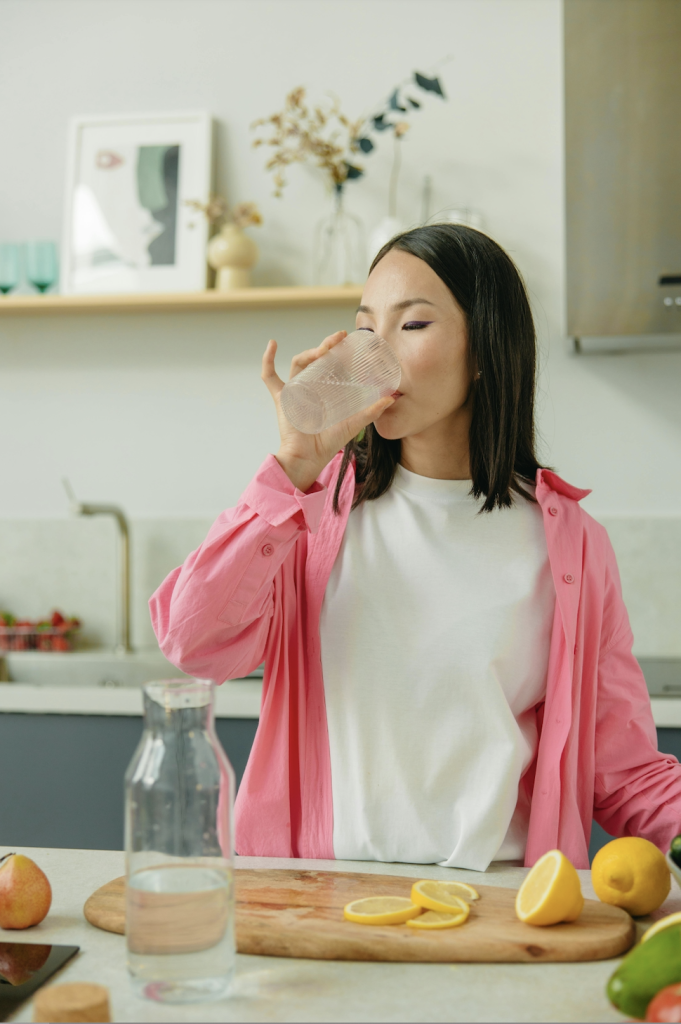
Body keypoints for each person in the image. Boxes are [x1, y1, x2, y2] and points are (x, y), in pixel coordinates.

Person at [150, 224, 681, 870]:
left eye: (413, 325)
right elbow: (192, 641)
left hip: (495, 912)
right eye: (366, 328)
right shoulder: (309, 515)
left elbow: (621, 772)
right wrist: (292, 464)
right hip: (316, 908)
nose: (377, 354)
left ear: (484, 352)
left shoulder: (570, 547)